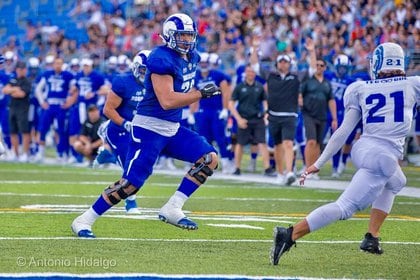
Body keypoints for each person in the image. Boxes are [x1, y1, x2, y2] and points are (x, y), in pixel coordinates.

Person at [71, 13, 221, 238]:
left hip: (172, 127)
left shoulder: (193, 57)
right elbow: (167, 100)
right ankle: (85, 219)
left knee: (209, 159)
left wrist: (196, 93)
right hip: (149, 128)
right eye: (182, 36)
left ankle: (173, 207)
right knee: (130, 185)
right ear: (169, 36)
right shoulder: (161, 57)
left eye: (190, 36)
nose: (187, 41)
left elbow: (181, 89)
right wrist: (199, 94)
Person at [270, 42, 420, 265]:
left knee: (397, 181)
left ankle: (372, 237)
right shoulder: (413, 84)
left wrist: (319, 162)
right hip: (381, 156)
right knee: (345, 207)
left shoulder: (362, 87)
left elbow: (343, 131)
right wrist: (318, 163)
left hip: (365, 149)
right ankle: (288, 235)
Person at [96, 49, 150, 213]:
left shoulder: (157, 84)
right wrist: (125, 123)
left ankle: (105, 156)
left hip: (140, 130)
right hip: (119, 129)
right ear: (135, 67)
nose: (147, 74)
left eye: (150, 71)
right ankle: (131, 202)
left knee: (142, 165)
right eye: (143, 69)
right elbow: (108, 109)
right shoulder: (123, 82)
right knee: (130, 167)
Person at [229, 65, 276, 177]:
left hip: (257, 118)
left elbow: (265, 102)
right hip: (244, 118)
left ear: (255, 74)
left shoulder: (259, 87)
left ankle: (267, 168)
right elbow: (231, 104)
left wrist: (265, 114)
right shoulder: (239, 87)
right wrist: (239, 119)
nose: (250, 74)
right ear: (245, 73)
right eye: (248, 71)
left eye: (252, 72)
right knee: (240, 143)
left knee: (262, 143)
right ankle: (237, 168)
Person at [299, 42, 337, 179]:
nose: (319, 67)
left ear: (325, 68)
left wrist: (334, 118)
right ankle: (307, 169)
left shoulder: (327, 83)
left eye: (321, 65)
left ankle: (313, 170)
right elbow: (299, 93)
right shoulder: (308, 80)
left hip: (322, 115)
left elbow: (331, 100)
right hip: (309, 113)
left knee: (318, 144)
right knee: (311, 141)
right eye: (317, 65)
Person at [34, 57, 76, 162]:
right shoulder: (47, 74)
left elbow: (75, 90)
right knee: (42, 129)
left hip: (61, 105)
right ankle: (40, 152)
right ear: (53, 64)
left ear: (63, 64)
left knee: (60, 130)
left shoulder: (68, 75)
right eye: (56, 63)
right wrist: (42, 102)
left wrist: (69, 102)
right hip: (50, 104)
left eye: (60, 63)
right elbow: (38, 89)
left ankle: (60, 152)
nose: (58, 65)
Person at [266, 54, 300, 185]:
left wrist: (312, 51)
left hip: (290, 115)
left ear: (289, 64)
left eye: (286, 62)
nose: (283, 64)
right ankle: (280, 173)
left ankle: (290, 171)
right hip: (273, 115)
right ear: (277, 64)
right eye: (281, 62)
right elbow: (255, 66)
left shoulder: (295, 77)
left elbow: (312, 70)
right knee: (278, 146)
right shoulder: (271, 76)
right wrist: (256, 46)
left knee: (288, 143)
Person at [2, 61, 32, 162]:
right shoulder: (13, 79)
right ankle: (15, 153)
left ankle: (25, 153)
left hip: (23, 108)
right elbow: (5, 90)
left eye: (22, 69)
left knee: (24, 131)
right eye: (19, 69)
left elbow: (22, 94)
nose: (21, 71)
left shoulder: (26, 81)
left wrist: (13, 90)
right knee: (13, 131)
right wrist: (15, 89)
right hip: (12, 108)